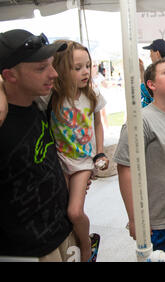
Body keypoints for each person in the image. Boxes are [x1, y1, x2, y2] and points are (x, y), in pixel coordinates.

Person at [0, 29, 78, 261]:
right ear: (10, 75)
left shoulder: (39, 103)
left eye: (51, 65)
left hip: (61, 233)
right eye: (41, 68)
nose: (54, 74)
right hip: (27, 251)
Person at [114, 57, 165, 252]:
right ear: (151, 84)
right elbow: (125, 169)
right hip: (158, 222)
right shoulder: (141, 120)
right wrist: (135, 219)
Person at [38, 40, 108, 262]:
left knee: (74, 212)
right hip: (59, 160)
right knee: (62, 212)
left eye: (87, 66)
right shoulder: (51, 97)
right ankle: (74, 247)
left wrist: (99, 152)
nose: (85, 72)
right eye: (77, 68)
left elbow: (98, 123)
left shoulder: (91, 94)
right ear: (59, 68)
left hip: (83, 163)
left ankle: (87, 246)